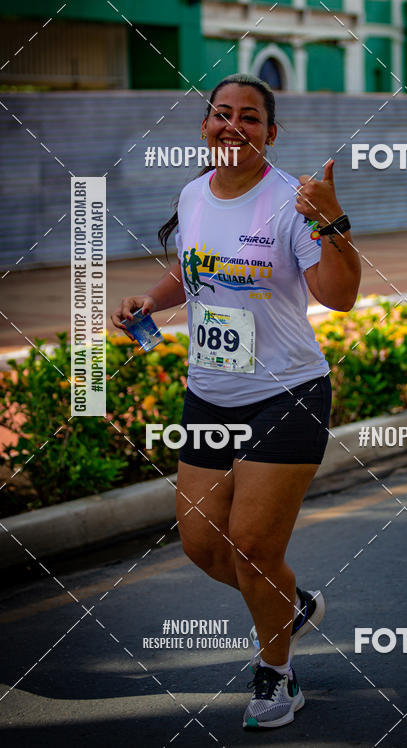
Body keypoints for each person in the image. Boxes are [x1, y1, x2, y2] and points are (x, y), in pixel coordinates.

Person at [111, 74, 361, 730]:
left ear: (270, 134)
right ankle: (292, 603)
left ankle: (277, 675)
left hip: (288, 394)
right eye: (222, 114)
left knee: (251, 545)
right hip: (210, 395)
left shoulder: (291, 202)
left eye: (249, 118)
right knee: (202, 545)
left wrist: (331, 221)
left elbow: (339, 296)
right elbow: (192, 268)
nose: (233, 126)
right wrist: (152, 301)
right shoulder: (193, 193)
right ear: (204, 125)